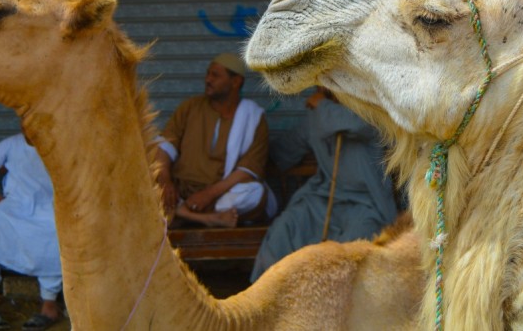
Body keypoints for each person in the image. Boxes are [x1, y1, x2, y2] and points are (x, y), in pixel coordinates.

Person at [250, 87, 399, 282]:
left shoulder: (370, 112)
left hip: (366, 203)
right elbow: (284, 152)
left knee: (354, 245)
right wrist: (251, 157)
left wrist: (322, 105)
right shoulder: (318, 115)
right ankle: (268, 295)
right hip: (323, 197)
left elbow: (353, 126)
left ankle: (334, 300)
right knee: (285, 229)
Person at [154, 53, 275, 228]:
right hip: (182, 192)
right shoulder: (190, 108)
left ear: (236, 82)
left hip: (220, 195)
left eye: (215, 75)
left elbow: (248, 170)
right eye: (208, 74)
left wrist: (208, 195)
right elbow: (165, 147)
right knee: (147, 183)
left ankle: (185, 214)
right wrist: (165, 181)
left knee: (254, 193)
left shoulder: (254, 117)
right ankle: (209, 218)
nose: (208, 79)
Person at [0, 132, 62, 331]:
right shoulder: (12, 143)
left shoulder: (60, 142)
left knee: (55, 236)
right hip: (14, 205)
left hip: (49, 207)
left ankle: (49, 304)